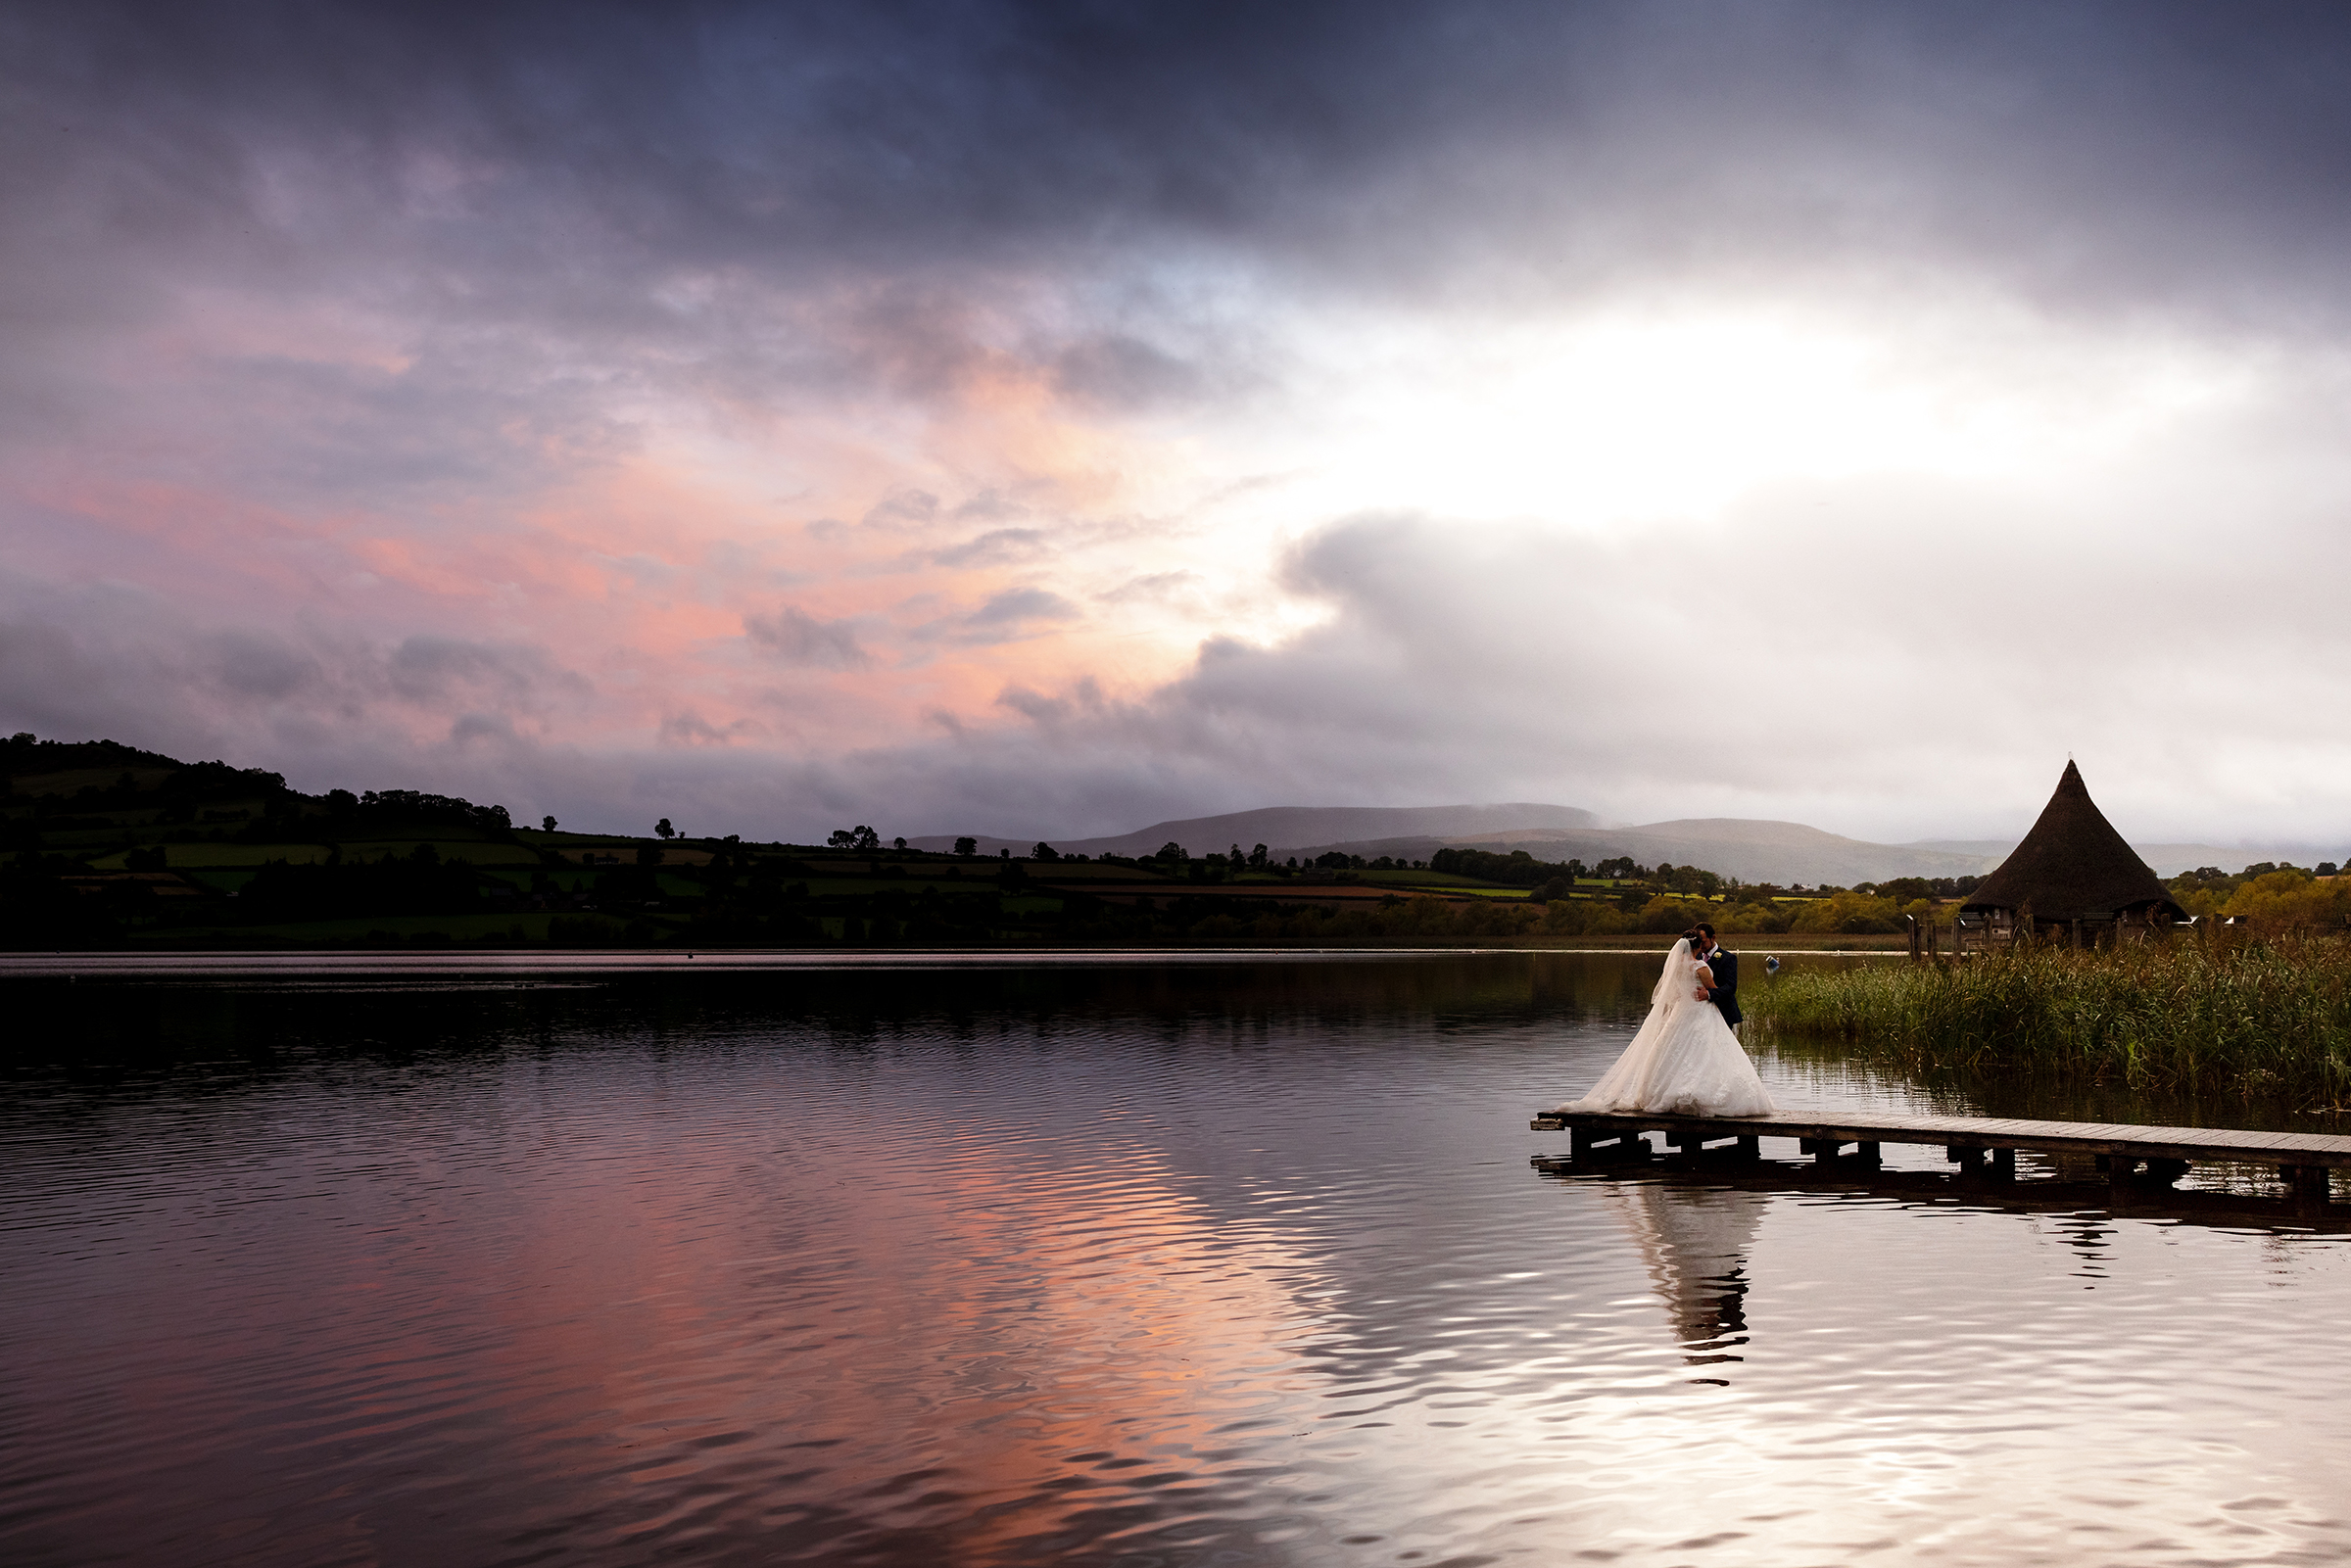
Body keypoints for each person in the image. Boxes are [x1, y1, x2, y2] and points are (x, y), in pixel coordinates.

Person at [1560, 926, 1775, 1117]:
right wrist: (1708, 993)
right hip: (1701, 1013)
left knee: (1679, 1050)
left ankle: (1663, 1093)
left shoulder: (1679, 966)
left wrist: (1703, 995)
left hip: (1682, 1012)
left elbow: (1681, 992)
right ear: (1698, 945)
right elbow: (1714, 988)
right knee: (1707, 1052)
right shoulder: (1699, 965)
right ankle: (1702, 1093)